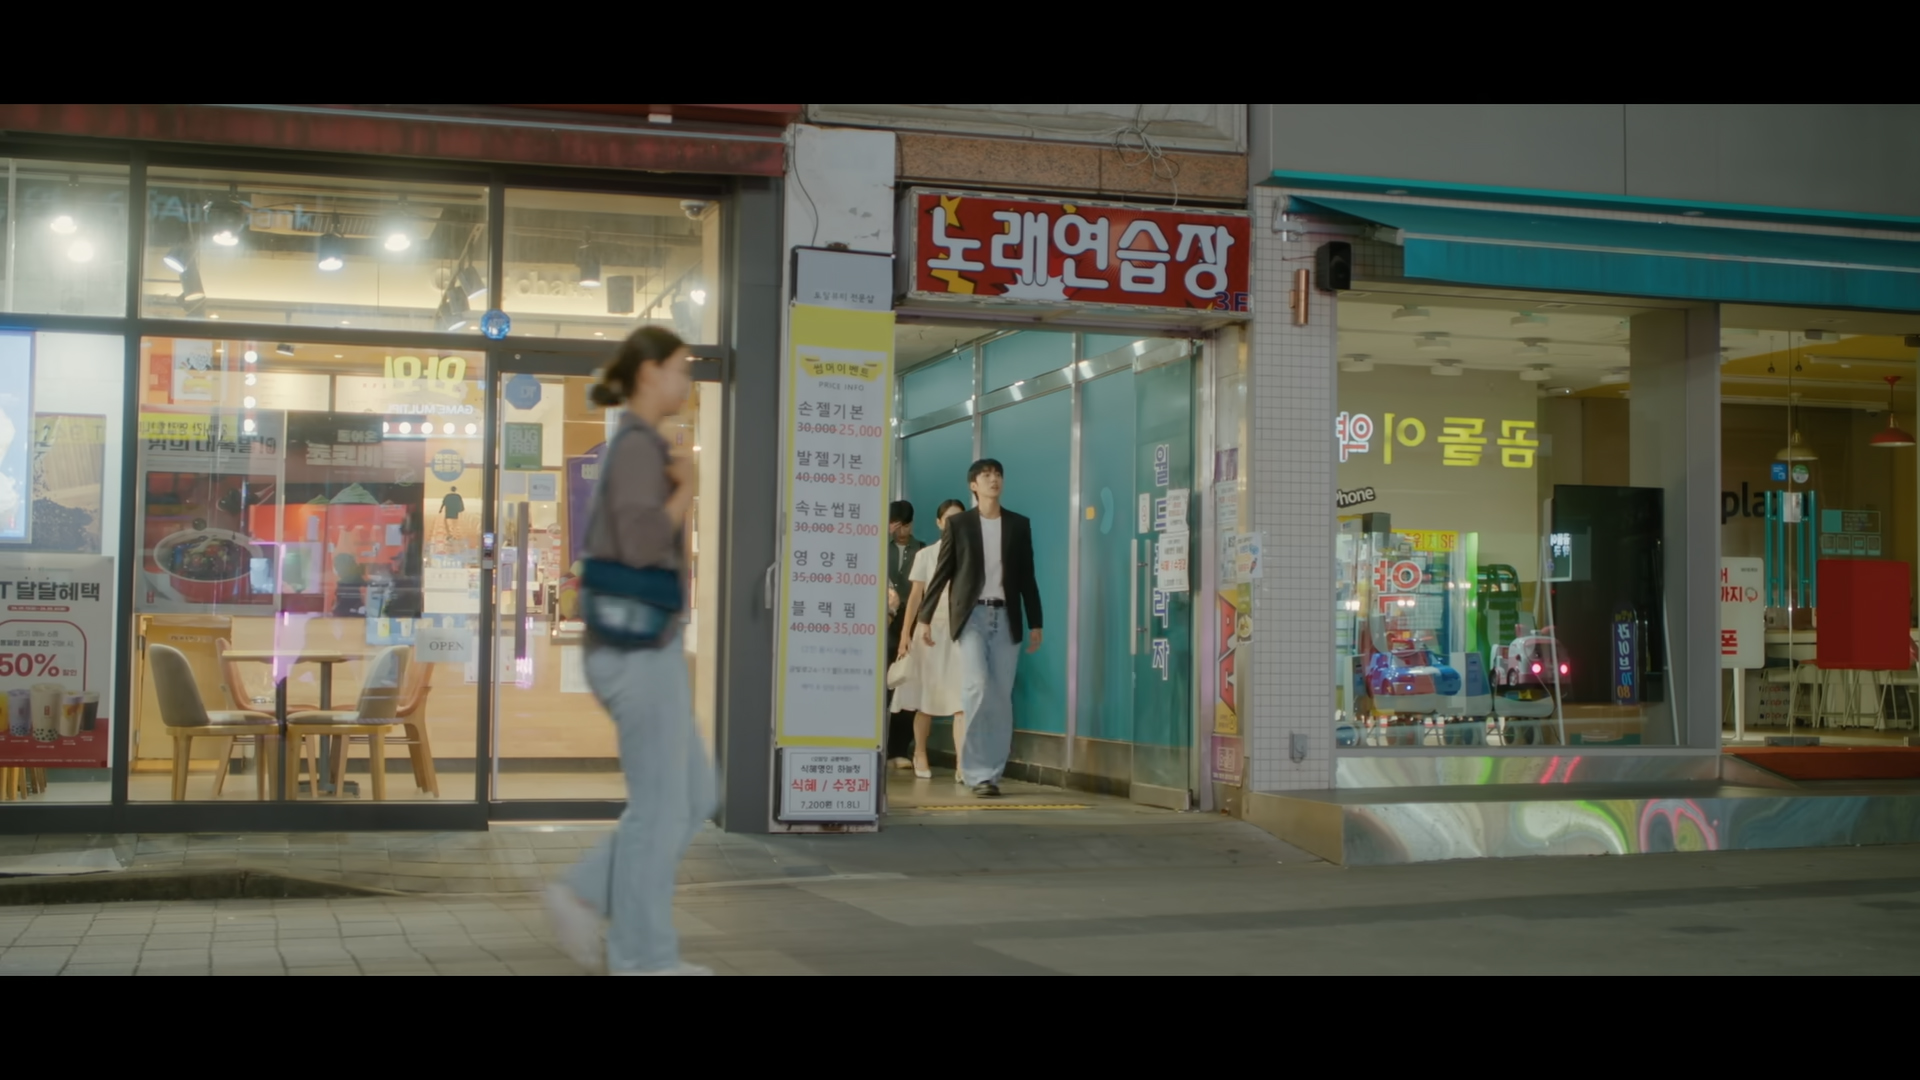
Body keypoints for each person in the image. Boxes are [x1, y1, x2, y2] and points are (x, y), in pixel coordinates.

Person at [543, 326, 714, 976]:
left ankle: (586, 894)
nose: (686, 380)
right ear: (649, 373)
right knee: (662, 808)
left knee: (692, 794)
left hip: (643, 644)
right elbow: (642, 544)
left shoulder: (640, 444)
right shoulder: (639, 446)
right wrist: (688, 487)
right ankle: (641, 958)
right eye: (680, 367)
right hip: (635, 647)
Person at [919, 460, 1042, 798]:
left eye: (998, 474)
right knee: (977, 686)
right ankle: (973, 771)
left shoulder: (1018, 524)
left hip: (1006, 616)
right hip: (971, 616)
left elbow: (1027, 576)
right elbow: (943, 572)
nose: (994, 480)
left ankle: (990, 775)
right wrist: (924, 617)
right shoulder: (959, 524)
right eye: (986, 476)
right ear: (973, 485)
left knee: (1000, 695)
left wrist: (1036, 621)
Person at [894, 499, 967, 780]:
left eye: (959, 519)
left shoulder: (972, 553)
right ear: (939, 523)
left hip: (960, 632)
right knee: (926, 697)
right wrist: (905, 635)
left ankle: (962, 762)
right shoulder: (926, 555)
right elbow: (915, 597)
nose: (954, 525)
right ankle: (920, 752)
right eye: (948, 519)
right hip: (929, 632)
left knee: (961, 699)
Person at [884, 500, 923, 769]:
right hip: (883, 621)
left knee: (906, 684)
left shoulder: (922, 549)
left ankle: (899, 749)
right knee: (882, 684)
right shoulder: (878, 548)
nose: (901, 531)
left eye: (906, 525)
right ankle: (879, 745)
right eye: (897, 525)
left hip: (912, 623)